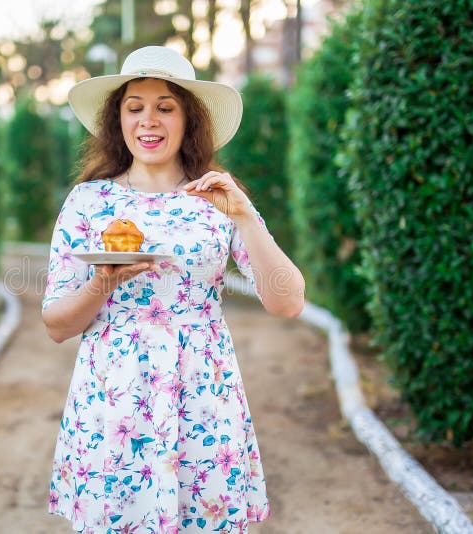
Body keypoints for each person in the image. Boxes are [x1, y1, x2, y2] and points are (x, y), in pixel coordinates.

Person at [42, 45, 305, 533]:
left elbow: (288, 302)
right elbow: (56, 325)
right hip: (114, 396)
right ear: (117, 119)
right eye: (134, 107)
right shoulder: (88, 202)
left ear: (188, 120)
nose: (149, 120)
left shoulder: (217, 200)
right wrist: (103, 281)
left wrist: (245, 215)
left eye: (165, 106)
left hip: (203, 393)